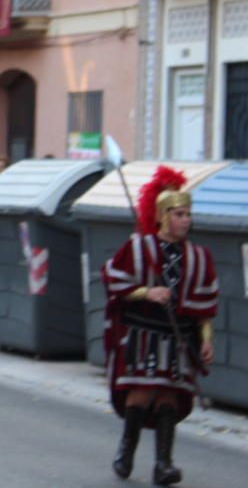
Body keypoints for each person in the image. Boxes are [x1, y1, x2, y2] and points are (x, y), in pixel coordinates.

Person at [103, 166, 218, 486]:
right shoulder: (138, 248)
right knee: (141, 393)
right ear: (162, 215)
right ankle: (126, 452)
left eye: (188, 214)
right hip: (142, 334)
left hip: (178, 336)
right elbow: (113, 279)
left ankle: (163, 464)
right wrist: (147, 291)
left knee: (169, 396)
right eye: (179, 214)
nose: (186, 220)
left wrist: (206, 339)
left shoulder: (199, 256)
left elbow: (206, 302)